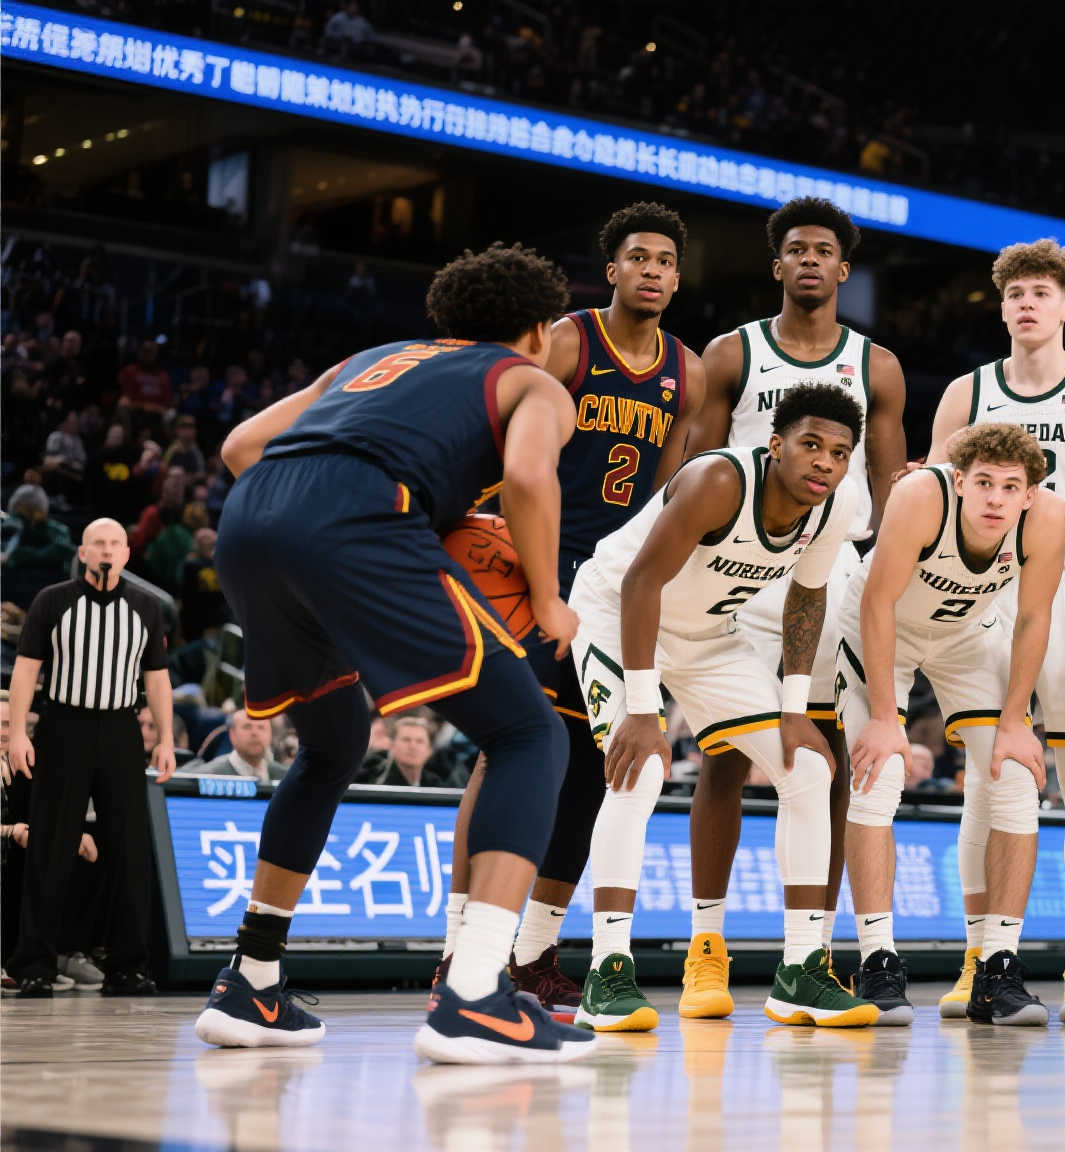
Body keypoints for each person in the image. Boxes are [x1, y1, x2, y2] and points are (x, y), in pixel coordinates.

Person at [192, 243, 593, 1063]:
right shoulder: (532, 381)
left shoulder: (369, 360)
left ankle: (251, 980)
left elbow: (239, 448)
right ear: (540, 329)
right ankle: (475, 994)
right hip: (360, 518)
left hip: (252, 521)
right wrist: (549, 597)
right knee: (529, 734)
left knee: (334, 740)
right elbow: (528, 478)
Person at [440, 202, 700, 1015]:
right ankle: (458, 951)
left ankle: (533, 954)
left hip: (612, 579)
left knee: (595, 764)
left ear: (677, 280)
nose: (653, 270)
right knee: (511, 747)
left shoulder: (686, 372)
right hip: (532, 562)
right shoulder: (566, 341)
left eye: (666, 261)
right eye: (639, 257)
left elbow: (664, 493)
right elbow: (504, 437)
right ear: (612, 269)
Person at [574, 383, 878, 1030]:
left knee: (808, 770)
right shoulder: (718, 480)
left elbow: (807, 597)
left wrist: (793, 709)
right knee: (640, 771)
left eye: (840, 453)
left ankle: (800, 972)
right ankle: (606, 971)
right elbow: (640, 582)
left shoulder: (836, 504)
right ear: (775, 446)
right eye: (811, 445)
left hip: (709, 634)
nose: (825, 462)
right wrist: (642, 709)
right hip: (615, 614)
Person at [681, 198, 907, 1013]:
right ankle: (706, 947)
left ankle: (810, 952)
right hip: (741, 565)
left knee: (829, 758)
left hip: (834, 569)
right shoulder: (731, 352)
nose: (810, 260)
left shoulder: (877, 365)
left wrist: (891, 580)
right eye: (796, 249)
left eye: (824, 251)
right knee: (726, 755)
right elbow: (696, 465)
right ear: (777, 264)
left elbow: (893, 485)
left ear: (844, 269)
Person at [927, 239, 1065, 1012]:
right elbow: (933, 500)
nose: (1026, 303)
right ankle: (981, 957)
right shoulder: (967, 393)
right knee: (989, 780)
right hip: (986, 590)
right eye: (1014, 292)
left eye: (1041, 292)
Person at [840, 425, 1065, 1026]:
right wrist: (885, 717)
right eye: (984, 483)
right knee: (880, 773)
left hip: (966, 632)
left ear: (1029, 494)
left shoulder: (1048, 518)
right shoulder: (920, 496)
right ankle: (877, 961)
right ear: (960, 481)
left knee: (1014, 777)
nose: (996, 498)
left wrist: (1016, 720)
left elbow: (1033, 617)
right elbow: (877, 603)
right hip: (880, 626)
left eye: (1010, 487)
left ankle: (998, 968)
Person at [3, 519, 178, 997]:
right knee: (50, 845)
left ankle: (128, 966)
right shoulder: (52, 600)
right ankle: (34, 964)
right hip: (63, 725)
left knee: (129, 847)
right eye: (98, 543)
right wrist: (17, 733)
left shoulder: (146, 606)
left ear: (126, 554)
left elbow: (157, 678)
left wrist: (165, 739)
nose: (106, 550)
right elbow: (26, 670)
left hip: (121, 727)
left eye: (115, 543)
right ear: (82, 553)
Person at [191, 709, 285, 783]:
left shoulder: (284, 777)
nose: (255, 733)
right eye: (247, 727)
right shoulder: (207, 777)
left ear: (270, 734)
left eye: (261, 727)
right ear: (232, 735)